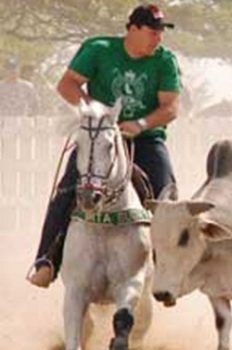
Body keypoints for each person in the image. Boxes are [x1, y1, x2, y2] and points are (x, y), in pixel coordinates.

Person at [27, 3, 182, 288]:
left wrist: (141, 124)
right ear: (133, 29)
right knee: (66, 190)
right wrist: (96, 112)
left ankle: (168, 270)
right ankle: (46, 260)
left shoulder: (164, 60)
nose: (158, 38)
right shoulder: (98, 49)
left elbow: (170, 107)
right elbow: (67, 85)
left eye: (161, 32)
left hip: (145, 138)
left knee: (167, 194)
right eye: (153, 31)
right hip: (98, 134)